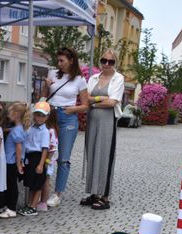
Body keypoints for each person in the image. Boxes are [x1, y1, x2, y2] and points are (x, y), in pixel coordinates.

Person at [43, 47, 89, 207]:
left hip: (68, 118)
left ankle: (57, 194)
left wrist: (73, 109)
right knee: (44, 153)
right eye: (58, 60)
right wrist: (46, 86)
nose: (59, 63)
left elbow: (85, 105)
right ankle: (41, 190)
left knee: (63, 158)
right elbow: (42, 97)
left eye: (62, 60)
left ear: (71, 61)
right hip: (50, 115)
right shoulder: (52, 74)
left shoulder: (80, 80)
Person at [81, 49, 125, 210]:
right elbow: (85, 98)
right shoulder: (93, 78)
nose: (106, 64)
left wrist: (93, 103)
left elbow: (112, 102)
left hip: (107, 122)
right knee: (92, 154)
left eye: (110, 61)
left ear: (115, 63)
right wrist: (100, 99)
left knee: (105, 156)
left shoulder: (118, 78)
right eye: (104, 60)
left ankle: (105, 197)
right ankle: (94, 193)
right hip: (92, 121)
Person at [17, 102, 50, 216]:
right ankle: (29, 204)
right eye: (37, 115)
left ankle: (34, 206)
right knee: (32, 184)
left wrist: (41, 164)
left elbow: (45, 149)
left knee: (37, 184)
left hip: (38, 157)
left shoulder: (45, 132)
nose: (39, 118)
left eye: (42, 116)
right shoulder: (31, 128)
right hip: (29, 157)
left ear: (47, 117)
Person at [0, 102, 30, 219]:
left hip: (11, 161)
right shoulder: (19, 128)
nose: (7, 115)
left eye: (9, 113)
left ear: (16, 114)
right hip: (11, 161)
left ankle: (11, 208)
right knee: (10, 184)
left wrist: (18, 163)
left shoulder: (17, 130)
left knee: (12, 185)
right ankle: (8, 206)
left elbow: (18, 147)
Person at [39, 107, 59, 212]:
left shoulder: (50, 131)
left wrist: (46, 161)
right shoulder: (51, 129)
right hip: (47, 159)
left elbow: (52, 148)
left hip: (48, 160)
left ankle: (43, 202)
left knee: (45, 181)